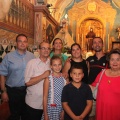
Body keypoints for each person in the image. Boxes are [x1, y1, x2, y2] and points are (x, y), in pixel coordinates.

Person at [0, 34, 35, 120]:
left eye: (25, 41)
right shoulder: (8, 57)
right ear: (16, 43)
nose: (22, 43)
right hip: (13, 91)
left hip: (28, 90)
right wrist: (3, 91)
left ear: (27, 43)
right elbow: (2, 74)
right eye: (20, 41)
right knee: (14, 115)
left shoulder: (32, 56)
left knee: (26, 114)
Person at [91, 48, 120, 120]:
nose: (115, 62)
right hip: (101, 112)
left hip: (116, 114)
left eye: (118, 59)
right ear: (109, 61)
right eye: (112, 59)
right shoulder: (102, 73)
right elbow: (93, 87)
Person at [24, 41, 51, 120]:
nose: (46, 50)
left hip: (47, 104)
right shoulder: (32, 63)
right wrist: (43, 75)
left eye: (48, 48)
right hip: (34, 103)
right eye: (43, 48)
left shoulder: (52, 63)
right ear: (38, 50)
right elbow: (27, 82)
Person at [86, 37, 108, 120]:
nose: (97, 44)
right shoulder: (89, 59)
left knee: (103, 115)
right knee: (90, 116)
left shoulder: (108, 59)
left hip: (104, 92)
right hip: (91, 92)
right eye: (95, 42)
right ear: (92, 46)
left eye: (99, 42)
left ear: (102, 44)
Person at [41, 55, 66, 120]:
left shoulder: (64, 79)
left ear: (62, 65)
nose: (57, 67)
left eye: (59, 64)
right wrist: (45, 114)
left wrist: (63, 111)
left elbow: (65, 97)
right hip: (50, 109)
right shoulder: (48, 79)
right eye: (55, 65)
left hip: (61, 108)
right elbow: (45, 97)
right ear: (51, 66)